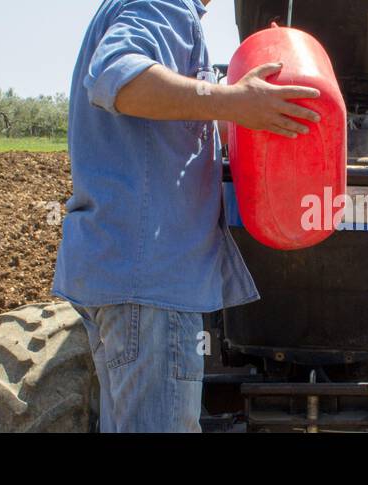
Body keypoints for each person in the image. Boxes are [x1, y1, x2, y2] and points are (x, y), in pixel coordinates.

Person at [53, 0, 321, 432]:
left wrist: (236, 111)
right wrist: (233, 100)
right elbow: (115, 75)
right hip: (152, 285)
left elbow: (170, 124)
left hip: (119, 275)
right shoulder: (165, 5)